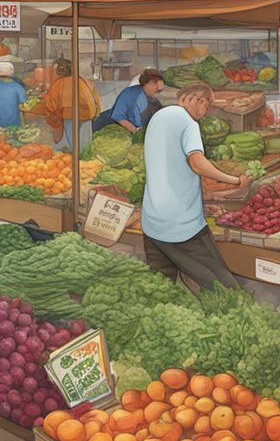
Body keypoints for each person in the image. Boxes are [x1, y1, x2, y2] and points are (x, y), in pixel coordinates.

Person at [142, 83, 245, 290]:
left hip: (152, 222)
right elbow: (197, 163)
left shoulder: (159, 117)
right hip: (181, 226)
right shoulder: (188, 123)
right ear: (198, 100)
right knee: (223, 287)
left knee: (162, 288)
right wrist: (234, 180)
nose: (206, 113)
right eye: (207, 106)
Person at [40, 58, 101, 152]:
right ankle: (84, 163)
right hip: (88, 115)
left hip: (69, 115)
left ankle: (73, 162)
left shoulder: (59, 84)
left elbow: (51, 106)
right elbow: (96, 101)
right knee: (85, 146)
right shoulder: (85, 81)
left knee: (72, 147)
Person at [95, 68, 165, 133]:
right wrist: (137, 133)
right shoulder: (136, 97)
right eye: (154, 83)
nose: (158, 87)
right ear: (145, 84)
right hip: (110, 125)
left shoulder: (150, 98)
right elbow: (120, 118)